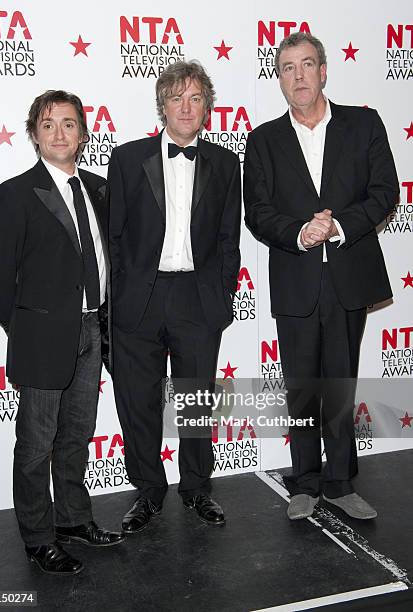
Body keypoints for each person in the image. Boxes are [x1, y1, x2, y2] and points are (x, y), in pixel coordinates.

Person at [244, 33, 398, 520]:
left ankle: (340, 482)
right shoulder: (263, 139)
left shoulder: (363, 124)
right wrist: (299, 233)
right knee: (302, 386)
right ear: (280, 79)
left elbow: (384, 191)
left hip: (348, 274)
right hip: (295, 278)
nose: (299, 76)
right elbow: (258, 212)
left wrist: (338, 226)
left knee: (340, 384)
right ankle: (305, 483)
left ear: (324, 71)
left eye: (307, 65)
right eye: (288, 68)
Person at [0, 90, 124, 575]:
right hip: (42, 337)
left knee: (77, 436)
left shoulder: (102, 189)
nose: (60, 133)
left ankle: (73, 519)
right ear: (35, 134)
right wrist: (24, 329)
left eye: (69, 123)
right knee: (36, 442)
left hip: (93, 328)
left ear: (83, 133)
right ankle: (38, 537)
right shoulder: (16, 193)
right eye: (49, 125)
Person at [107, 61, 241, 532]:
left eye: (196, 98)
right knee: (137, 401)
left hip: (198, 299)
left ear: (207, 107)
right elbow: (114, 238)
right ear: (162, 105)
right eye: (176, 98)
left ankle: (197, 488)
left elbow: (229, 238)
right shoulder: (126, 159)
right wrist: (119, 296)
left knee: (197, 400)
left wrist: (222, 293)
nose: (186, 107)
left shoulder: (226, 163)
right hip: (138, 301)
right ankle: (147, 491)